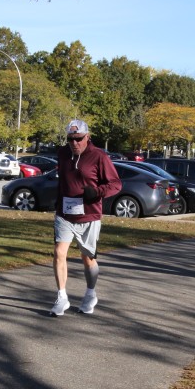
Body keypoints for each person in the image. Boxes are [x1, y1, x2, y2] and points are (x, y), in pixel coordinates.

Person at [50, 119, 122, 316]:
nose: (74, 143)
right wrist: (58, 202)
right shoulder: (63, 154)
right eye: (70, 139)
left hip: (89, 214)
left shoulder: (99, 156)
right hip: (64, 214)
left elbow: (116, 184)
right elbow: (63, 181)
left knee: (88, 259)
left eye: (78, 139)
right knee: (59, 252)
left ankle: (90, 294)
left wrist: (96, 192)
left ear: (87, 137)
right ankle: (62, 297)